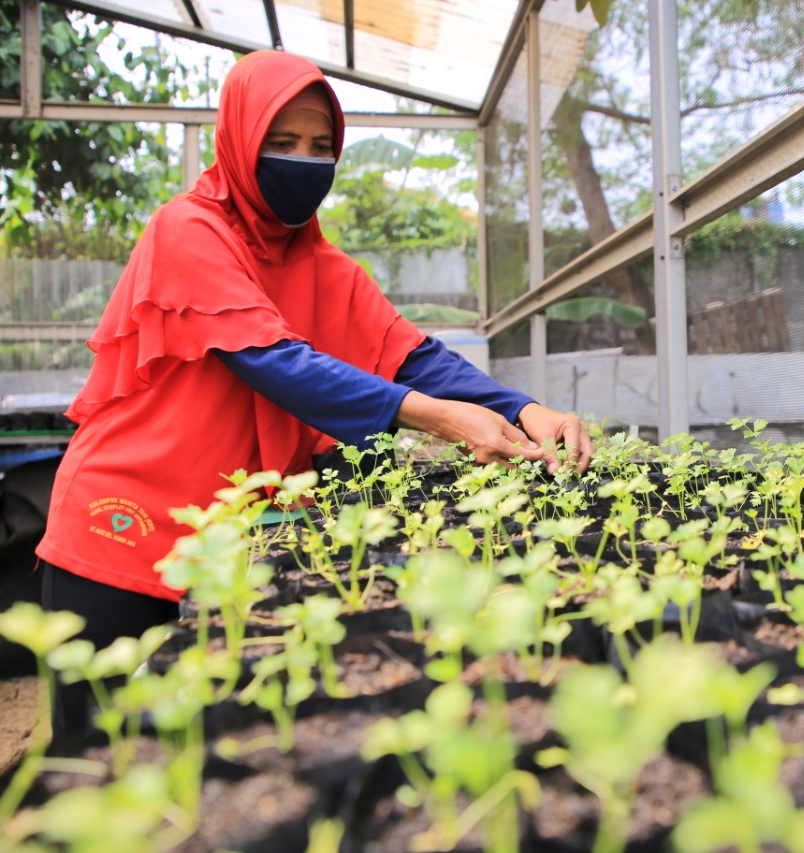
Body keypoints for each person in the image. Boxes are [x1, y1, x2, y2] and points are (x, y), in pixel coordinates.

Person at [35, 49, 593, 736]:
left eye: (322, 146)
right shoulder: (188, 230)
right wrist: (440, 421)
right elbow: (273, 361)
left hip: (222, 542)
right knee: (97, 750)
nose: (305, 161)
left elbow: (413, 354)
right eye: (283, 142)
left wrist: (524, 409)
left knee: (190, 757)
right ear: (240, 138)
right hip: (122, 519)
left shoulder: (325, 268)